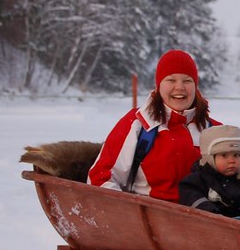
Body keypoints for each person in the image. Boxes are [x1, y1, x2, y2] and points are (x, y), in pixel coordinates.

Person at [87, 49, 219, 201]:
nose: (180, 87)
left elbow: (230, 179)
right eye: (171, 80)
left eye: (187, 80)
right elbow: (100, 179)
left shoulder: (213, 131)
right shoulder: (138, 124)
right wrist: (127, 214)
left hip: (201, 218)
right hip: (146, 218)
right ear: (158, 86)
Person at [178, 125, 240, 218]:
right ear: (209, 158)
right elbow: (194, 199)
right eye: (224, 155)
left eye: (236, 155)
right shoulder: (197, 181)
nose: (231, 161)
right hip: (213, 226)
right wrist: (212, 214)